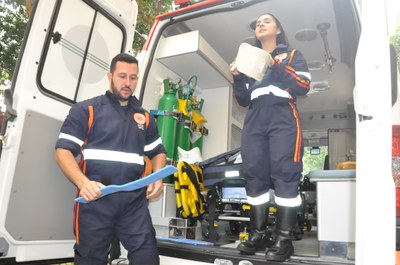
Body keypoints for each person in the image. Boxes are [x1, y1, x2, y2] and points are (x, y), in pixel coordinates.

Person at [55, 53, 167, 265]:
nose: (127, 83)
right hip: (95, 200)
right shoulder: (86, 110)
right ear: (110, 76)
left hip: (134, 203)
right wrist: (83, 183)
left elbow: (158, 151)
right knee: (90, 260)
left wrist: (157, 178)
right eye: (122, 76)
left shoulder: (145, 117)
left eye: (133, 78)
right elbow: (62, 151)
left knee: (148, 258)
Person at [230, 13, 311, 262]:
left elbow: (303, 86)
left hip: (282, 114)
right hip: (255, 116)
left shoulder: (292, 54)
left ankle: (283, 240)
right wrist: (237, 76)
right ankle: (258, 235)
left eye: (266, 21)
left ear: (278, 29)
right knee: (254, 176)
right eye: (257, 23)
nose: (260, 24)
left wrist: (278, 66)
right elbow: (243, 99)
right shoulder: (249, 60)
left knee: (285, 173)